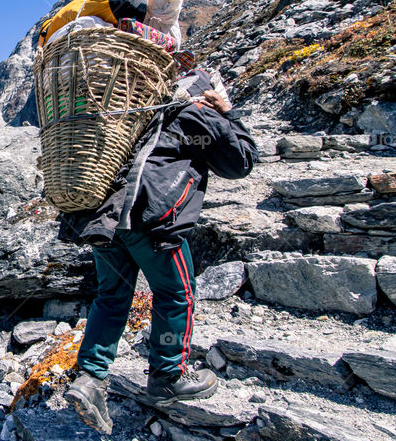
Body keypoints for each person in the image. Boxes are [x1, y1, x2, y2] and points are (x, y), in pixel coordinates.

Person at [59, 68, 258, 435]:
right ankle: (168, 375)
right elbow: (240, 162)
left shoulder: (141, 111)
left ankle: (89, 379)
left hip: (104, 218)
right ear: (204, 93)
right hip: (153, 220)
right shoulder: (194, 114)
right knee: (176, 293)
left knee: (111, 296)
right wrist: (227, 113)